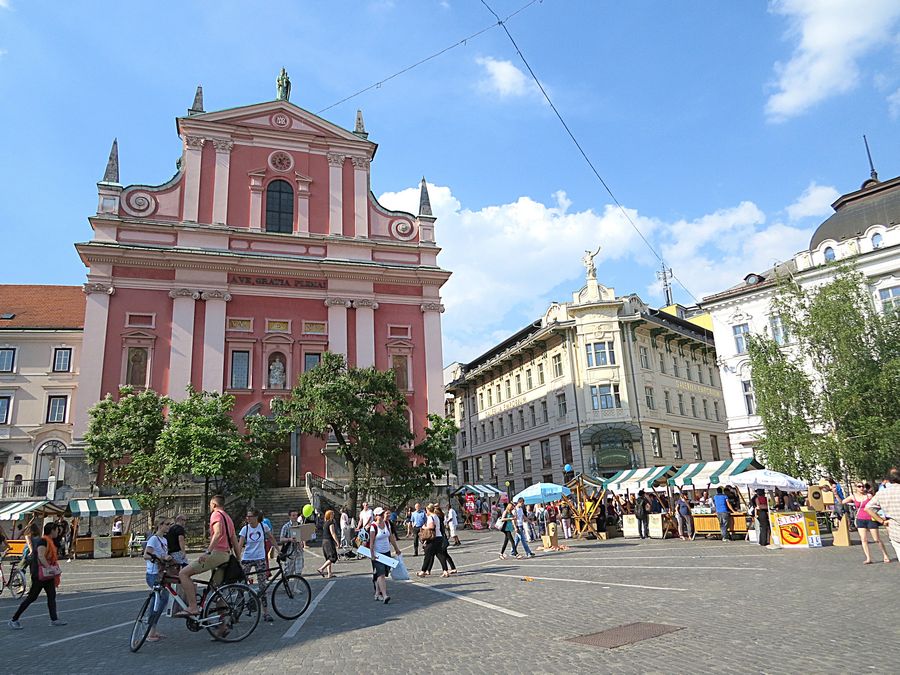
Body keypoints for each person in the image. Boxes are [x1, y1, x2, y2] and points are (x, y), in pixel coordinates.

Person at [178, 495, 240, 618]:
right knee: (217, 590)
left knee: (183, 574)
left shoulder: (216, 515)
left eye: (210, 504)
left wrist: (207, 552)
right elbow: (234, 540)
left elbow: (217, 533)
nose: (210, 507)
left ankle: (193, 607)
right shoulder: (228, 518)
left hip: (216, 553)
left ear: (214, 504)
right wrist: (238, 558)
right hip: (226, 555)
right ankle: (223, 626)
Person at [9, 522, 66, 629]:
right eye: (56, 530)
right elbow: (40, 556)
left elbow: (58, 540)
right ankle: (14, 619)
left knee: (51, 596)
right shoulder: (43, 541)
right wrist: (49, 568)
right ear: (52, 530)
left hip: (47, 575)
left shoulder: (50, 541)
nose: (57, 532)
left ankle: (54, 619)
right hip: (39, 574)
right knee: (31, 597)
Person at [238, 509, 278, 622]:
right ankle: (237, 611)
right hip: (247, 559)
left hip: (260, 558)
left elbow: (271, 538)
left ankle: (266, 613)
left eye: (250, 516)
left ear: (256, 517)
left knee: (263, 585)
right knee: (240, 584)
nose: (248, 518)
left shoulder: (263, 526)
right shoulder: (245, 529)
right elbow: (240, 544)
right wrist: (237, 559)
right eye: (247, 516)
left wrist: (279, 550)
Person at [844, 482, 891, 564]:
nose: (861, 488)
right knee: (863, 539)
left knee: (876, 539)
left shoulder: (868, 496)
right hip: (860, 519)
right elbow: (843, 502)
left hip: (870, 518)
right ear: (856, 488)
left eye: (863, 486)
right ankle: (868, 558)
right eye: (859, 486)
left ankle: (885, 555)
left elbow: (877, 504)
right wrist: (837, 495)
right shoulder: (853, 496)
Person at [142, 518, 173, 642]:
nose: (169, 526)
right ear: (160, 526)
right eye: (167, 524)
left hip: (161, 573)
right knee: (157, 599)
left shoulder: (164, 540)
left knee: (163, 599)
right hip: (153, 574)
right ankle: (150, 630)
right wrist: (161, 557)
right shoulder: (154, 539)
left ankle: (153, 629)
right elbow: (146, 555)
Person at [366, 507, 402, 603]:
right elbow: (372, 542)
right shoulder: (373, 526)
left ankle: (377, 593)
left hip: (386, 552)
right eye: (381, 515)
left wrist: (396, 548)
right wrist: (372, 554)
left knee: (383, 573)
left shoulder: (387, 524)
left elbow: (391, 537)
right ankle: (385, 595)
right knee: (381, 574)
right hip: (377, 554)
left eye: (383, 514)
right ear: (376, 516)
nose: (383, 516)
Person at [864, 468, 900, 560]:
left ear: (888, 479)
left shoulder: (882, 493)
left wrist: (881, 521)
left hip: (895, 531)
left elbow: (868, 508)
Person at [417, 504, 450, 577]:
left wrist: (424, 527)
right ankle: (445, 570)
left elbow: (431, 526)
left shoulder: (430, 517)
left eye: (426, 510)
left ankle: (423, 571)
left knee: (427, 555)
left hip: (432, 538)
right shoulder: (436, 516)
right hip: (439, 537)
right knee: (440, 554)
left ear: (428, 510)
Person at [316, 510, 340, 579]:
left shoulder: (325, 523)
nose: (333, 515)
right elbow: (333, 533)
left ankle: (329, 573)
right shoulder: (330, 522)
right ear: (329, 515)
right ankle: (321, 569)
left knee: (328, 558)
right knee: (333, 557)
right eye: (332, 514)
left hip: (324, 541)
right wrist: (337, 542)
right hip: (329, 541)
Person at [434, 506, 458, 574]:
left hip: (440, 537)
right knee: (445, 553)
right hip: (442, 536)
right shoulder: (441, 517)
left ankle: (445, 569)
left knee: (441, 554)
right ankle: (452, 568)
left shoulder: (438, 518)